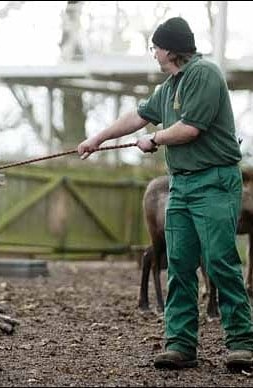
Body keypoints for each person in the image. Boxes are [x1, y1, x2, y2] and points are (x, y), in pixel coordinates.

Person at [77, 16, 253, 370]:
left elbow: (189, 129)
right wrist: (98, 139)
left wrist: (154, 139)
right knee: (179, 264)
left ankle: (242, 343)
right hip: (182, 183)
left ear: (170, 49)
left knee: (220, 260)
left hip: (214, 182)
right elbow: (139, 116)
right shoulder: (169, 86)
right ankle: (181, 343)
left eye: (155, 47)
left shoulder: (205, 75)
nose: (153, 54)